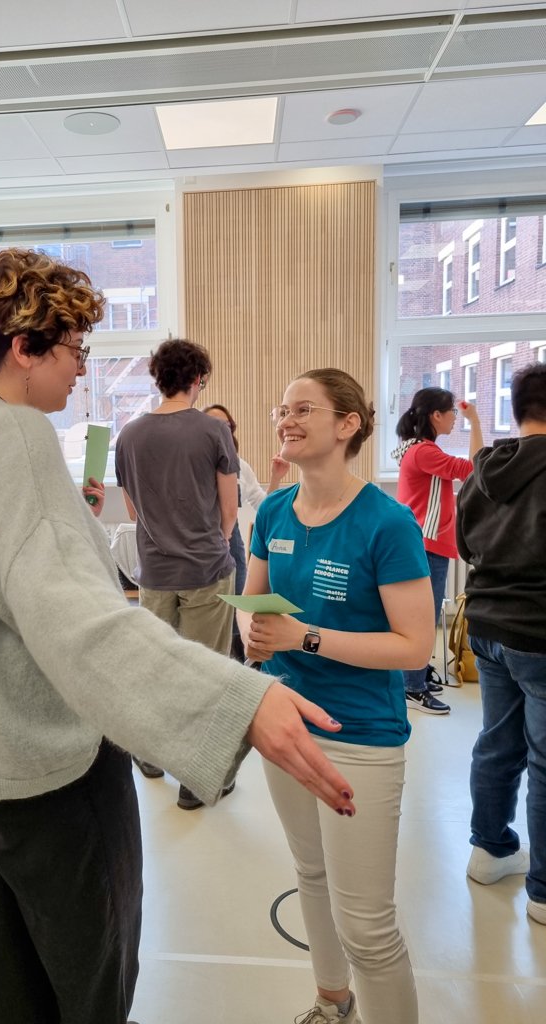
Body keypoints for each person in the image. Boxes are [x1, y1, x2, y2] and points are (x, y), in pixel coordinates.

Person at [0, 248, 356, 1024]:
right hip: (41, 776)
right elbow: (83, 626)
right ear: (25, 346)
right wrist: (239, 698)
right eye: (74, 352)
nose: (81, 373)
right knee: (87, 984)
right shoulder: (17, 436)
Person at [238, 368, 435, 1024]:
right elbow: (255, 608)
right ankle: (332, 999)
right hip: (287, 723)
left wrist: (305, 637)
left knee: (369, 927)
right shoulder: (271, 511)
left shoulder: (386, 523)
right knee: (311, 876)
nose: (285, 419)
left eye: (304, 409)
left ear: (348, 424)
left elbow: (413, 647)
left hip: (361, 736)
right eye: (281, 408)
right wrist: (254, 634)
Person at [114, 339, 239, 809]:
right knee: (204, 673)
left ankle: (148, 754)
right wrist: (217, 540)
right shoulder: (211, 430)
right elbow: (229, 507)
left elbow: (132, 507)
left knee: (156, 668)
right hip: (206, 567)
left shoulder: (128, 435)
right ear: (197, 380)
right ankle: (196, 779)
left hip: (154, 572)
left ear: (157, 378)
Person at [456, 362, 546, 926]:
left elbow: (466, 545)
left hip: (487, 628)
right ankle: (544, 890)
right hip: (539, 633)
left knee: (497, 741)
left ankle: (490, 850)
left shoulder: (484, 468)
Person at [392, 387, 483, 713]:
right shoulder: (424, 452)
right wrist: (475, 423)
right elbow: (475, 468)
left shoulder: (417, 449)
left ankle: (414, 675)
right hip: (425, 545)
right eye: (453, 413)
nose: (455, 418)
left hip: (425, 544)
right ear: (436, 416)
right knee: (422, 620)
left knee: (420, 617)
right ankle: (412, 688)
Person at [203, 402, 287, 657]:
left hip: (232, 543)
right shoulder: (189, 464)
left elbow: (265, 509)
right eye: (213, 425)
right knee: (207, 615)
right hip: (201, 545)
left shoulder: (238, 464)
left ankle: (239, 664)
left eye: (226, 425)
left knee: (239, 607)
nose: (221, 430)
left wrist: (276, 477)